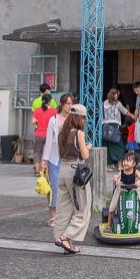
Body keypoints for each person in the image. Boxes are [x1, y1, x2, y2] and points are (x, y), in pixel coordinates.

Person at [54, 103, 91, 255]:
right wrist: (87, 147)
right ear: (80, 118)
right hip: (76, 171)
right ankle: (65, 237)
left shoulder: (62, 132)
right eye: (84, 118)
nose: (85, 121)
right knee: (83, 207)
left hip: (62, 169)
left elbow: (59, 154)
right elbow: (85, 156)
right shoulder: (78, 134)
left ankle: (62, 239)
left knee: (63, 207)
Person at [41, 93, 74, 228]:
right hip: (54, 158)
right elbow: (49, 140)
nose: (69, 106)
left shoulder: (73, 119)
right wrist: (45, 159)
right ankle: (53, 216)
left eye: (71, 103)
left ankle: (66, 216)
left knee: (68, 188)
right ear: (61, 104)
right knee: (54, 187)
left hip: (69, 158)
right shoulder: (53, 120)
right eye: (67, 103)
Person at [107, 150, 140, 228]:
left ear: (134, 164)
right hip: (122, 189)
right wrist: (117, 181)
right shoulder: (122, 171)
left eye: (128, 161)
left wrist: (138, 182)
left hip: (133, 189)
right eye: (124, 161)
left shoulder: (135, 172)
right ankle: (109, 223)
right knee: (113, 205)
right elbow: (115, 178)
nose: (125, 163)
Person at [103, 88, 132, 171]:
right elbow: (125, 111)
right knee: (119, 146)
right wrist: (132, 116)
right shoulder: (117, 104)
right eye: (117, 95)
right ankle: (119, 166)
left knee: (106, 147)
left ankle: (106, 166)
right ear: (115, 95)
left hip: (104, 127)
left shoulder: (103, 104)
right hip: (114, 127)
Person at [31, 93, 56, 176]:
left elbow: (33, 121)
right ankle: (46, 170)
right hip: (49, 135)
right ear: (49, 102)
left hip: (39, 134)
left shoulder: (38, 110)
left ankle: (37, 172)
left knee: (38, 153)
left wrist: (40, 122)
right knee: (48, 153)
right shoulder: (53, 111)